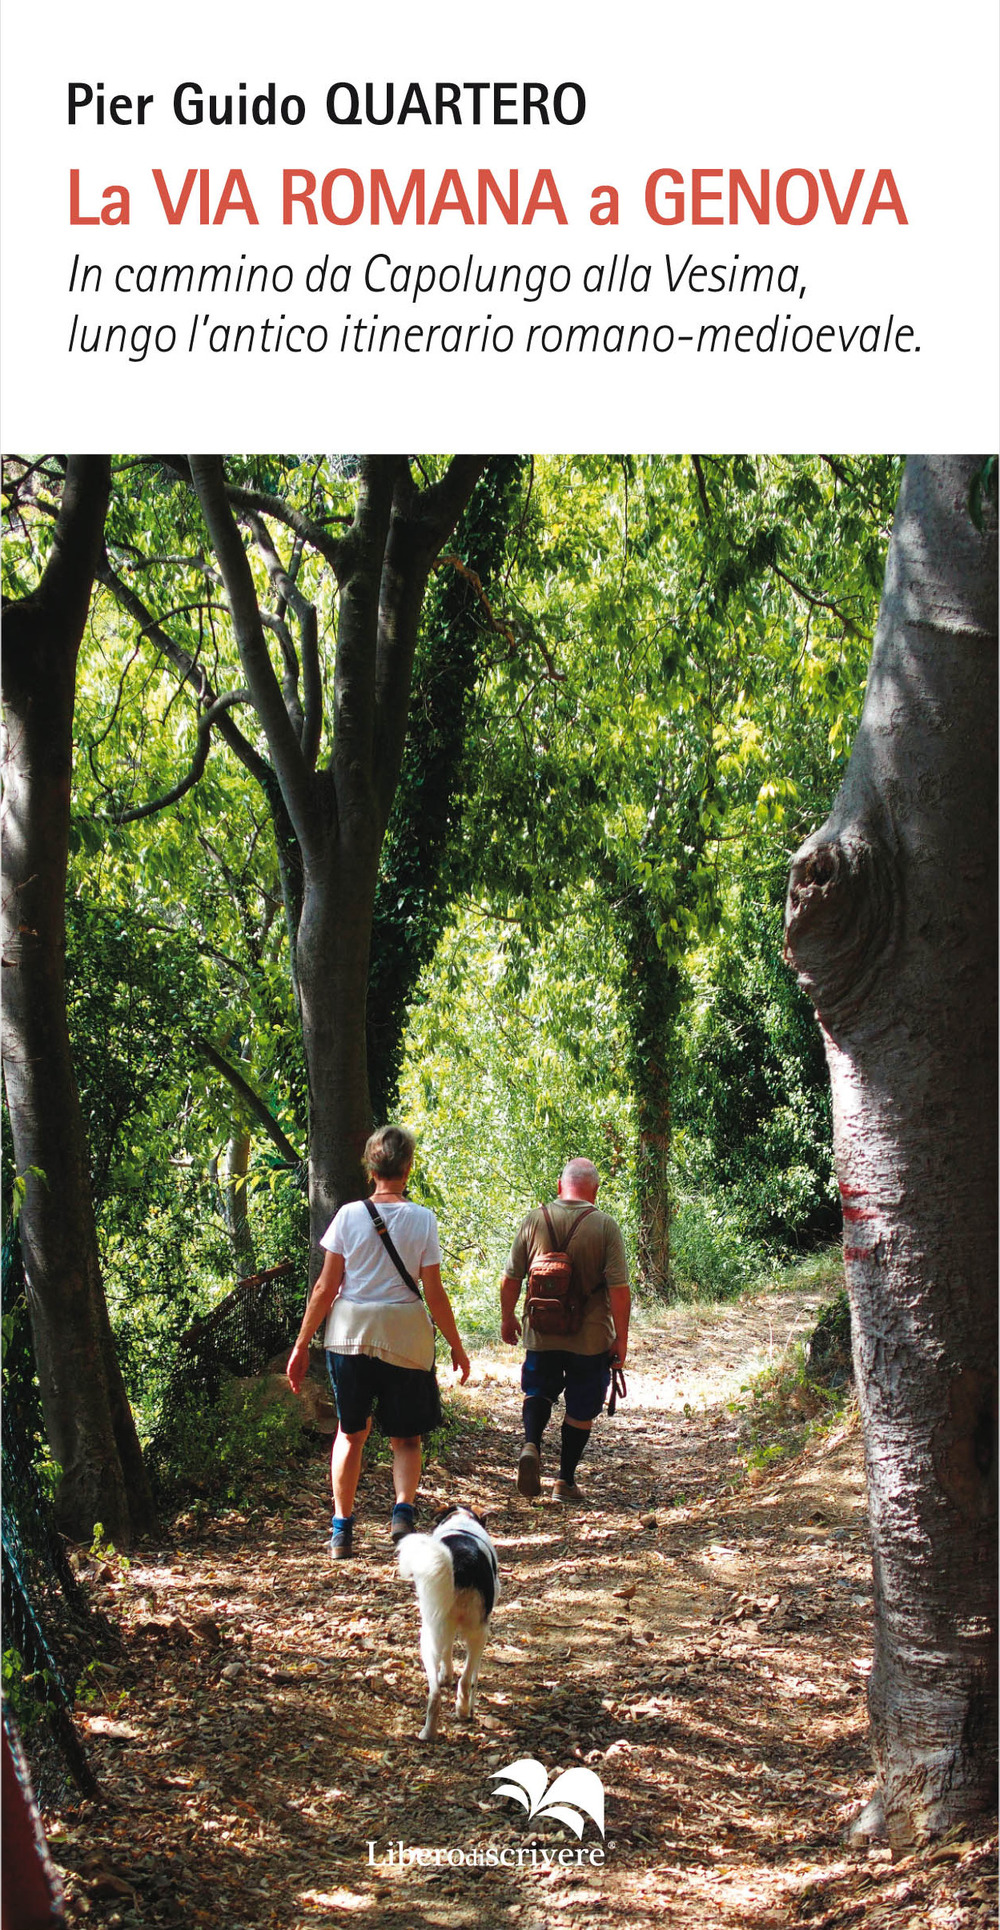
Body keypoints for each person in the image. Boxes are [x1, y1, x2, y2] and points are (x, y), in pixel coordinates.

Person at [286, 1126, 471, 1560]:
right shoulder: (422, 1219)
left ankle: (341, 1531)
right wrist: (457, 1346)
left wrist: (300, 1344)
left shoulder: (348, 1215)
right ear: (408, 1168)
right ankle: (402, 1514)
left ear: (371, 1167)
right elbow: (434, 1292)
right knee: (406, 1439)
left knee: (350, 1434)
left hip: (349, 1334)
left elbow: (325, 1288)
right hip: (405, 1334)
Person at [500, 1157, 630, 1503]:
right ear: (595, 1191)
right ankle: (564, 1482)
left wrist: (507, 1317)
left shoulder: (534, 1219)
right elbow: (619, 1288)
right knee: (581, 1406)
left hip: (541, 1331)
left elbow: (511, 1278)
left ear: (560, 1186)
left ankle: (531, 1443)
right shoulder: (604, 1226)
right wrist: (622, 1337)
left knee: (538, 1390)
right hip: (589, 1338)